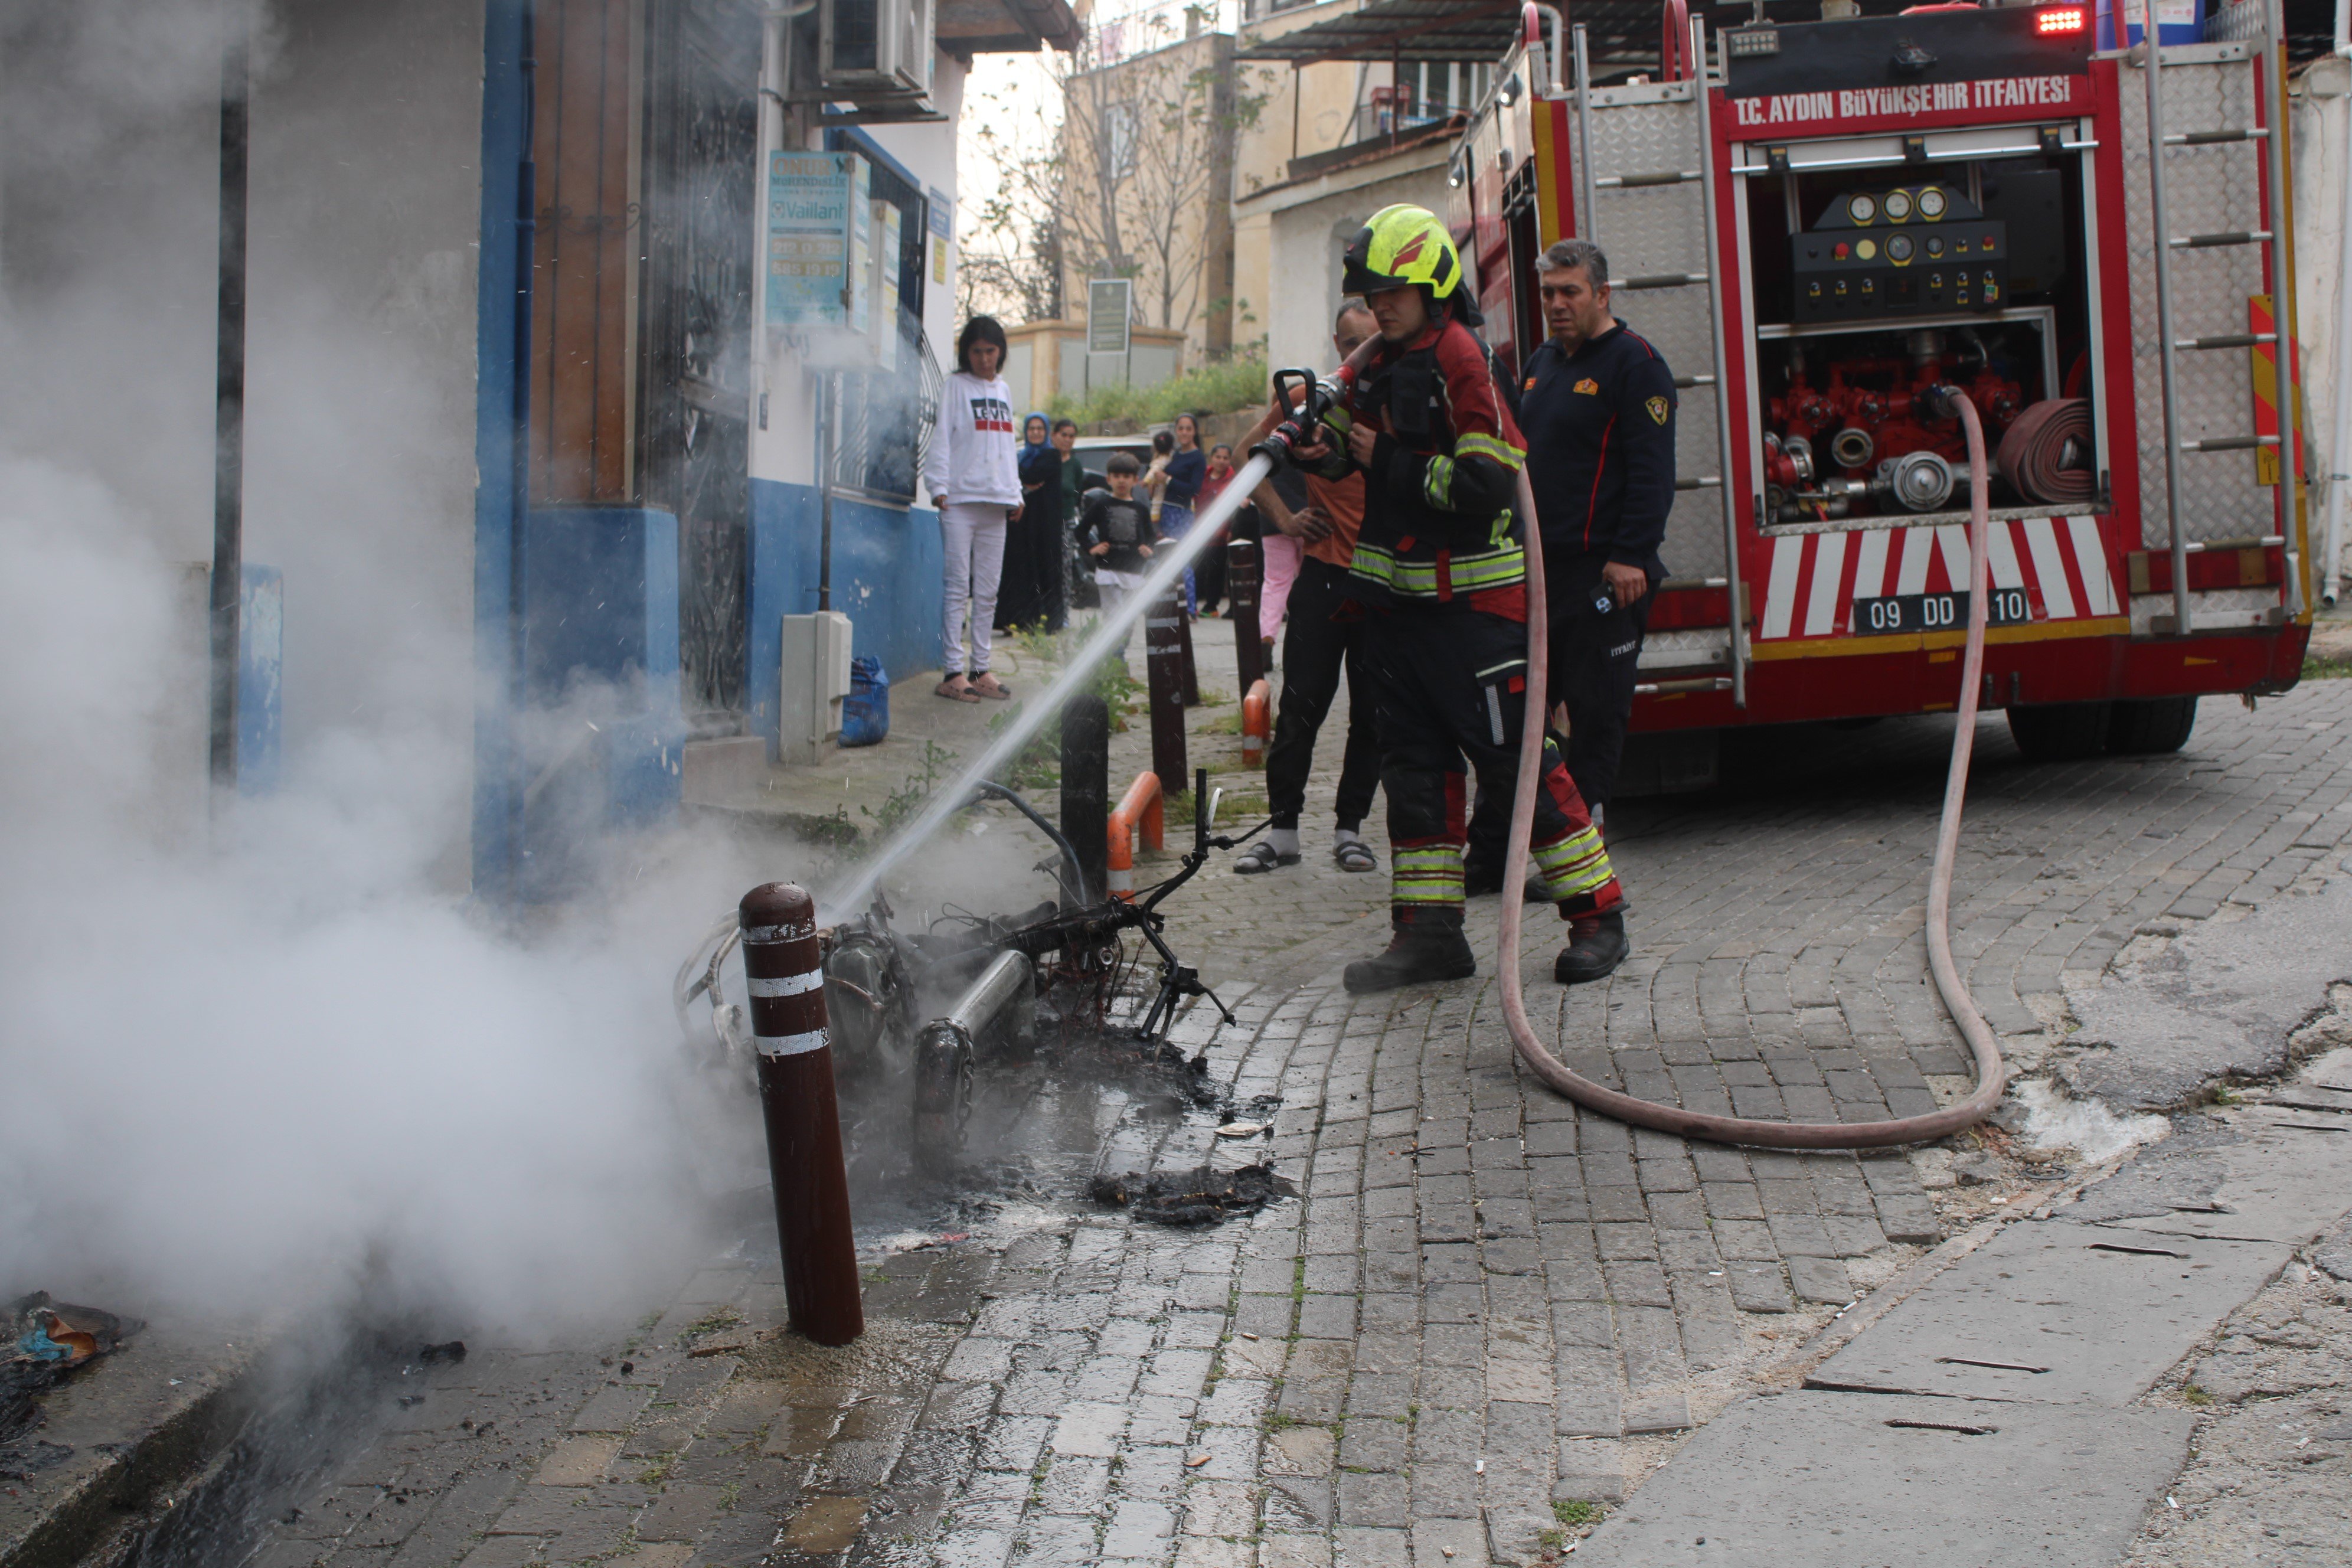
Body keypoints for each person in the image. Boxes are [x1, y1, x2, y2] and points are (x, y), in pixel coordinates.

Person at [1282, 204, 1625, 994]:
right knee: (1415, 778)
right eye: (1372, 293)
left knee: (1521, 774)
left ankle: (1598, 917)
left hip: (1476, 619)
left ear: (1433, 282)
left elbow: (1488, 481)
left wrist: (1388, 460)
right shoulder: (1378, 363)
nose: (1381, 305)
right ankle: (1430, 934)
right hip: (1400, 620)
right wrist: (1326, 454)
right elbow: (1360, 457)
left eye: (1393, 290)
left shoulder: (1461, 358)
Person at [1464, 237, 1671, 982]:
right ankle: (1492, 856)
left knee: (1596, 720)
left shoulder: (1635, 365)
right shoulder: (1544, 365)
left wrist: (1631, 557)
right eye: (1548, 292)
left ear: (1602, 293)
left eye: (1570, 292)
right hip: (1537, 574)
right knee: (1519, 721)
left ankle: (1588, 875)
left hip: (1601, 575)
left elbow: (1652, 473)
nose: (1556, 305)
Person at [1230, 298, 1384, 878]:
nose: (1359, 352)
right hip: (1322, 573)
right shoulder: (1312, 396)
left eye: (1368, 340)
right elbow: (1250, 454)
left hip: (1384, 580)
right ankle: (1284, 832)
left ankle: (1351, 830)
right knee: (1301, 708)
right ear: (1338, 345)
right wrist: (1286, 517)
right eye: (1349, 343)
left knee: (1373, 714)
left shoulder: (1403, 396)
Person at [922, 316, 1022, 701]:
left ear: (1001, 352)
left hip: (997, 504)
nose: (984, 359)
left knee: (988, 591)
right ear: (967, 353)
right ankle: (952, 672)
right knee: (957, 588)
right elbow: (942, 436)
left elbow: (1006, 446)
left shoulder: (1004, 390)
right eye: (977, 351)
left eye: (990, 351)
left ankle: (981, 668)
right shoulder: (955, 386)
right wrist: (939, 485)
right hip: (960, 501)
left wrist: (1016, 492)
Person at [1073, 452, 1158, 662]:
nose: (1122, 480)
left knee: (1128, 621)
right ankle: (1116, 662)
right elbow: (1080, 531)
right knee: (1113, 619)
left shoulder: (1140, 509)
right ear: (1109, 479)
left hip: (1134, 572)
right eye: (1117, 476)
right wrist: (1092, 548)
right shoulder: (1102, 505)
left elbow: (1150, 537)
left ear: (1135, 480)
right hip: (1109, 572)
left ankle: (1116, 656)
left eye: (1127, 476)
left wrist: (1148, 548)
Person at [997, 413, 1069, 635]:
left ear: (1046, 431)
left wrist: (1021, 478)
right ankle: (1016, 620)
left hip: (1045, 524)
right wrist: (1025, 479)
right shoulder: (1020, 456)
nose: (1036, 433)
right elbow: (1013, 474)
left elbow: (1033, 473)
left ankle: (1046, 622)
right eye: (1032, 429)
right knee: (1020, 569)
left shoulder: (1052, 454)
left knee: (1045, 567)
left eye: (1040, 429)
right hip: (1021, 522)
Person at [1157, 413, 1208, 617]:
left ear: (1195, 431)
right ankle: (1169, 604)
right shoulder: (1175, 455)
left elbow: (1194, 489)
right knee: (1165, 558)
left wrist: (1168, 480)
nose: (1185, 432)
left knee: (1183, 559)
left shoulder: (1197, 458)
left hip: (1181, 512)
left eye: (1189, 428)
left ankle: (1189, 608)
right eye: (1181, 428)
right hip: (1165, 510)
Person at [1053, 418, 1096, 610]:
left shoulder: (1075, 465)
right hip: (1045, 521)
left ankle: (1063, 613)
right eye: (1064, 435)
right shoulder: (1049, 460)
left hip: (1066, 522)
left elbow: (1075, 494)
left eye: (1072, 436)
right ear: (1054, 436)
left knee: (1064, 568)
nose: (1067, 440)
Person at [1194, 443, 1237, 618]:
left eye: (1225, 458)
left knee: (1215, 571)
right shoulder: (1202, 475)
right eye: (1218, 457)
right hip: (1199, 531)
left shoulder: (1233, 479)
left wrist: (1230, 529)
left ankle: (1211, 606)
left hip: (1220, 533)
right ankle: (1193, 603)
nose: (1221, 461)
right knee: (1197, 569)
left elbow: (1234, 507)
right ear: (1211, 458)